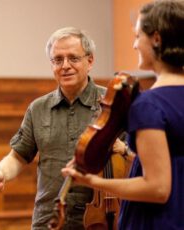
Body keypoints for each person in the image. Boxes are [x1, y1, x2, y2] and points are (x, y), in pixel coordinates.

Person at [62, 1, 184, 229]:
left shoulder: (149, 104)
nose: (134, 44)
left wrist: (94, 181)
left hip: (161, 220)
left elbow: (157, 188)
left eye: (138, 36)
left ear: (156, 39)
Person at [0, 27, 106, 229]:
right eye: (57, 60)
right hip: (48, 219)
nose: (65, 66)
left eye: (73, 58)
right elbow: (18, 156)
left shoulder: (111, 103)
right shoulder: (38, 108)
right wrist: (0, 173)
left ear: (90, 61)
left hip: (99, 219)